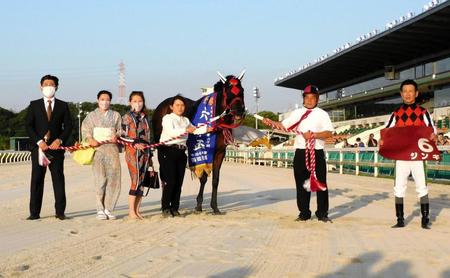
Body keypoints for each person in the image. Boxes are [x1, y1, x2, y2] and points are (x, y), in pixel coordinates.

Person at [262, 85, 334, 222]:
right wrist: (270, 122)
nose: (310, 100)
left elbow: (329, 133)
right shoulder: (297, 113)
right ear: (304, 98)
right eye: (307, 97)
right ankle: (304, 212)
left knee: (321, 183)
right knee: (302, 183)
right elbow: (284, 126)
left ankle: (322, 213)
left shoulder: (322, 114)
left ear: (317, 99)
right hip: (301, 152)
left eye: (313, 98)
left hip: (317, 152)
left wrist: (314, 135)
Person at [381, 79, 435, 229]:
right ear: (401, 94)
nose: (408, 94)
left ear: (416, 93)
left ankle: (425, 219)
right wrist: (381, 139)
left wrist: (433, 136)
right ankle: (400, 219)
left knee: (421, 186)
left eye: (411, 91)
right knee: (399, 186)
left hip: (418, 156)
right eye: (405, 91)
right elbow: (386, 129)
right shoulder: (396, 113)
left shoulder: (423, 112)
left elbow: (432, 129)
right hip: (401, 156)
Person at [25, 74, 73, 220]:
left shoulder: (63, 105)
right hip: (39, 148)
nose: (48, 87)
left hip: (56, 149)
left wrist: (59, 140)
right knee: (37, 180)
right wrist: (39, 142)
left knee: (58, 179)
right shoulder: (34, 105)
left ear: (56, 87)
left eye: (51, 84)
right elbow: (28, 125)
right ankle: (34, 213)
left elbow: (69, 126)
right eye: (45, 84)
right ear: (40, 87)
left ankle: (60, 212)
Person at [82, 90, 122, 220]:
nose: (105, 102)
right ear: (98, 100)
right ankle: (99, 209)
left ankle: (109, 208)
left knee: (114, 179)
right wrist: (89, 139)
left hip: (112, 149)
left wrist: (117, 135)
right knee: (100, 179)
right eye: (102, 99)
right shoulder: (91, 116)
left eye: (107, 99)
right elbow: (86, 130)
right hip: (97, 150)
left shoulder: (116, 115)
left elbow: (121, 130)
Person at [158, 95, 196, 217]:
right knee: (171, 181)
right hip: (168, 151)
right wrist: (186, 130)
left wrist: (208, 129)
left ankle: (175, 207)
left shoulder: (186, 120)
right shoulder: (168, 118)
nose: (180, 107)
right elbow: (172, 132)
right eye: (177, 105)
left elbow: (195, 130)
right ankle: (165, 208)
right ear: (171, 107)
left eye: (182, 105)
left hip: (181, 152)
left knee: (179, 182)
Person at [122, 91, 154, 219]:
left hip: (145, 153)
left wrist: (150, 156)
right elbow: (122, 136)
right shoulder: (126, 117)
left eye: (140, 101)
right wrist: (134, 143)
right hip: (132, 153)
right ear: (130, 102)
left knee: (142, 181)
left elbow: (148, 137)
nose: (137, 104)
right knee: (135, 181)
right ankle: (131, 211)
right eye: (135, 101)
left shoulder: (145, 117)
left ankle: (137, 210)